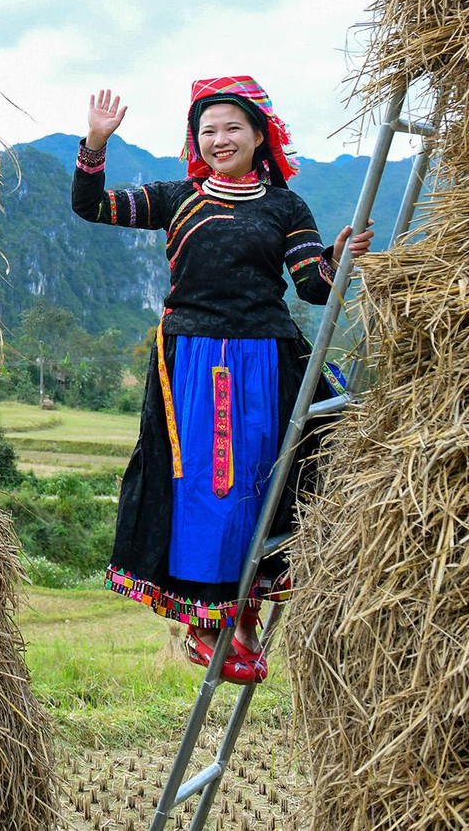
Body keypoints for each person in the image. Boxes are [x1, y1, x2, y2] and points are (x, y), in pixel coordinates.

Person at [71, 75, 370, 683]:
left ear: (260, 136)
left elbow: (311, 286)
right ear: (196, 140)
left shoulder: (286, 207)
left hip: (268, 358)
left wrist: (337, 261)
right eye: (207, 130)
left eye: (233, 127)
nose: (219, 139)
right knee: (209, 485)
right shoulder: (177, 197)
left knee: (264, 480)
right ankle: (206, 625)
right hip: (193, 362)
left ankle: (246, 614)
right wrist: (96, 143)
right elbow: (91, 206)